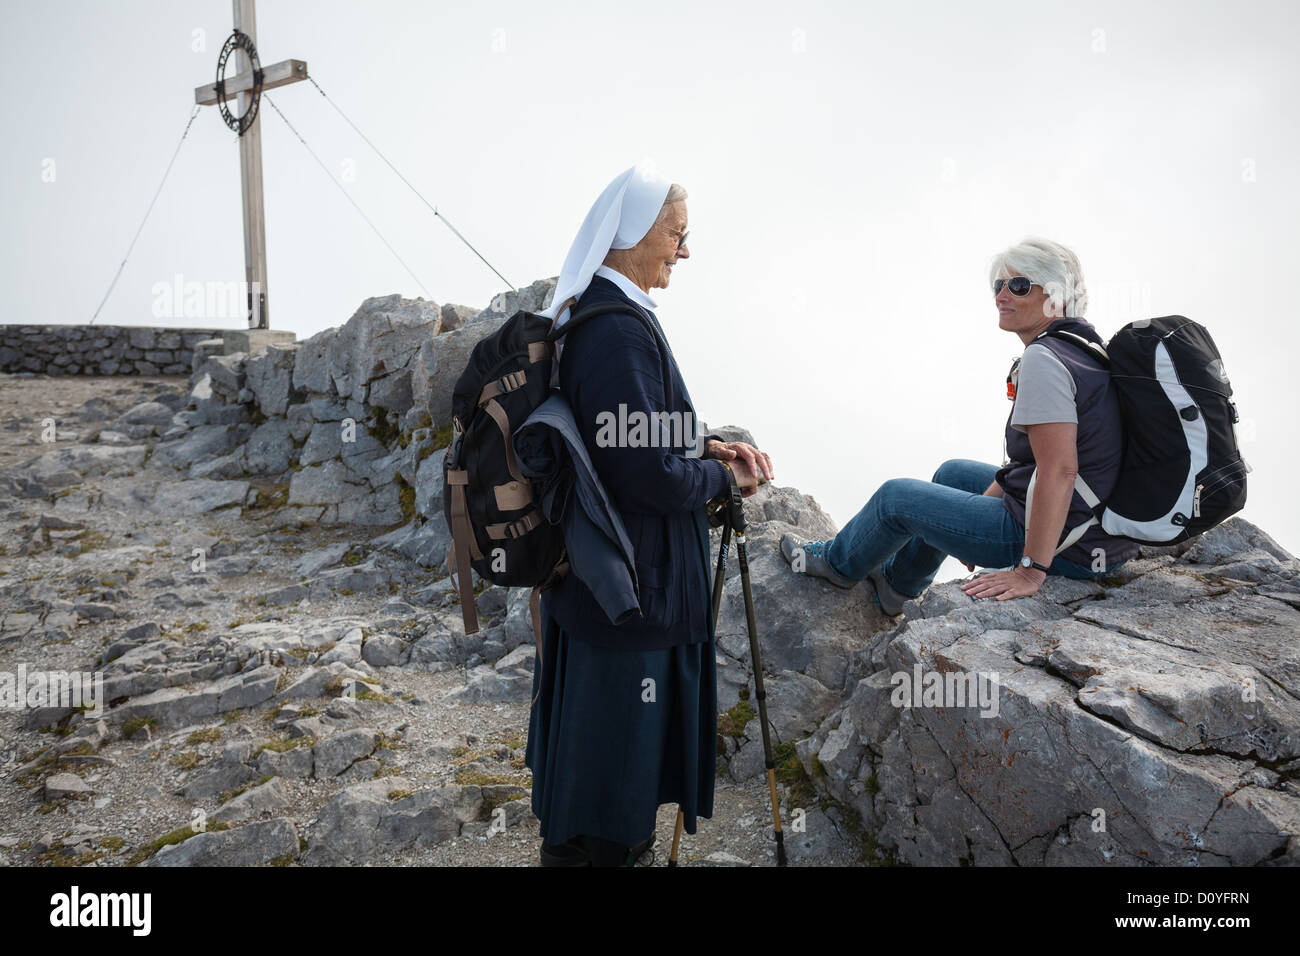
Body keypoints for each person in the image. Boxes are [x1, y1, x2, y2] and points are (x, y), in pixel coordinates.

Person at [526, 162, 774, 866]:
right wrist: (721, 478)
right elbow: (641, 476)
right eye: (676, 234)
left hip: (605, 588)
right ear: (634, 232)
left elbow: (622, 433)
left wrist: (700, 442)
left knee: (594, 775)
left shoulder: (596, 317)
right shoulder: (619, 333)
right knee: (616, 786)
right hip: (631, 597)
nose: (684, 251)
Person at [780, 236, 1138, 614]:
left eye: (1018, 286)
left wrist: (1030, 572)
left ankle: (837, 565)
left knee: (895, 498)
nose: (1002, 296)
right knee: (952, 473)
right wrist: (965, 526)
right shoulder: (1082, 345)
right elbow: (1036, 465)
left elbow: (1060, 471)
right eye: (997, 286)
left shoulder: (1045, 359)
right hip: (1094, 527)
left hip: (1070, 542)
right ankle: (896, 585)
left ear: (1055, 296)